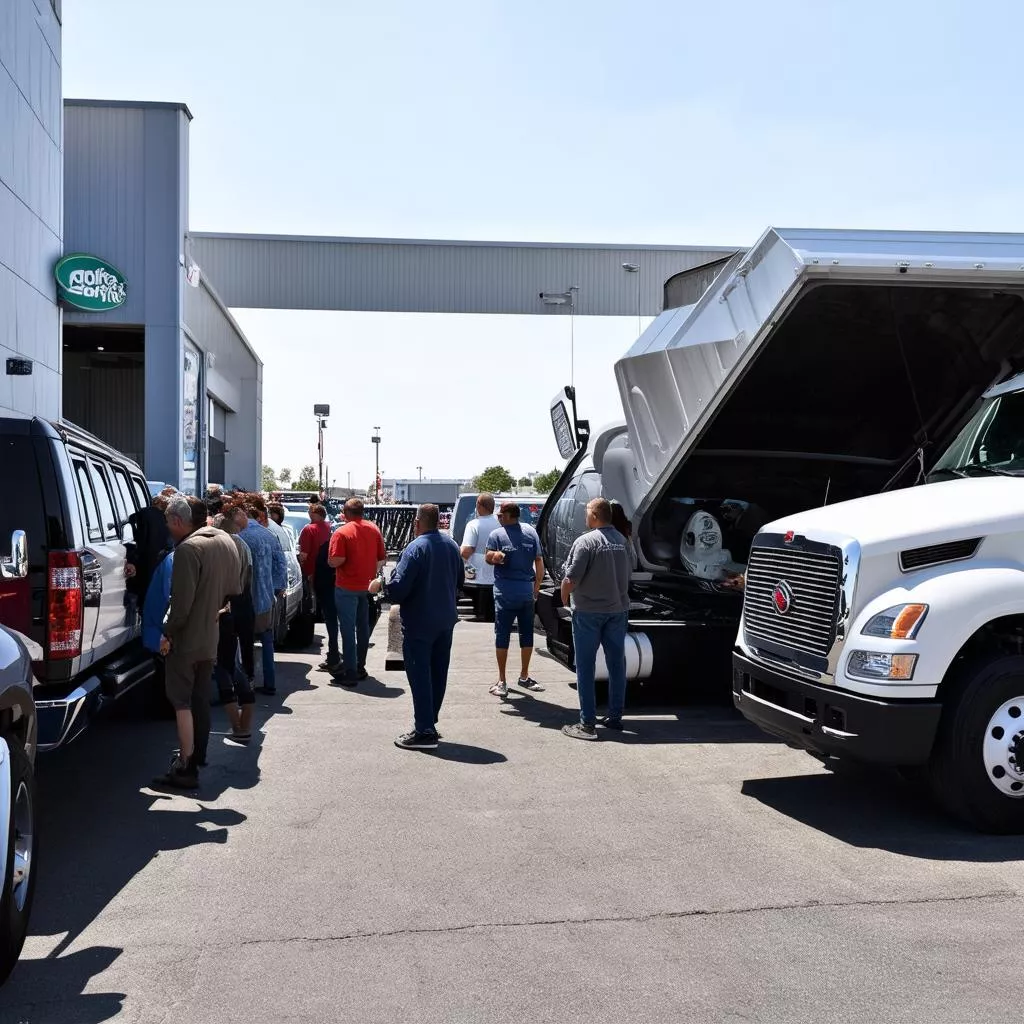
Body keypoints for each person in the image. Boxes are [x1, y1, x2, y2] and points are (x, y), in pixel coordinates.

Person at [153, 495, 241, 789]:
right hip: (211, 635)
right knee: (200, 699)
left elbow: (180, 607)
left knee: (180, 701)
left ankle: (186, 766)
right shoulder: (226, 540)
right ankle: (197, 755)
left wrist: (166, 632)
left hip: (188, 639)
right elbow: (232, 590)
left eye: (168, 521)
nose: (166, 527)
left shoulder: (188, 550)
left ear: (178, 521)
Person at [369, 504, 463, 749]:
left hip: (421, 621)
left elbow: (399, 589)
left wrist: (381, 585)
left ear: (418, 522)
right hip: (445, 620)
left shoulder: (415, 548)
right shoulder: (452, 546)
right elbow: (460, 581)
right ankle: (429, 722)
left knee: (420, 674)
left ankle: (424, 731)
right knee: (438, 673)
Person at [560, 498, 633, 741]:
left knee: (585, 667)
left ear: (594, 515)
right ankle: (615, 717)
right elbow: (628, 572)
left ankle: (587, 723)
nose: (585, 516)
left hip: (589, 612)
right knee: (616, 665)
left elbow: (570, 579)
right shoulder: (623, 541)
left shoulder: (586, 542)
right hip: (618, 610)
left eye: (587, 512)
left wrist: (564, 599)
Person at [485, 501, 545, 697]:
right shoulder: (530, 532)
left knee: (504, 635)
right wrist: (536, 589)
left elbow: (487, 556)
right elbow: (539, 563)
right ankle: (523, 676)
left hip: (506, 593)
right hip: (525, 592)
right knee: (526, 634)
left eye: (501, 515)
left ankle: (503, 680)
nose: (498, 518)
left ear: (509, 515)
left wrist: (494, 556)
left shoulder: (497, 535)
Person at [232, 495, 287, 695]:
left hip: (244, 600)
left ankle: (245, 682)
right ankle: (270, 682)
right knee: (267, 642)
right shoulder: (269, 536)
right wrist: (278, 587)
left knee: (242, 643)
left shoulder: (240, 538)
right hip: (266, 598)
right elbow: (281, 564)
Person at [327, 498, 386, 685]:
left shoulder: (341, 532)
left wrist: (331, 561)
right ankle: (360, 666)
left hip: (346, 587)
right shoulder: (373, 529)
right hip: (366, 587)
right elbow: (381, 559)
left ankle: (350, 671)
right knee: (362, 628)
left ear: (345, 513)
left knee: (347, 630)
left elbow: (335, 560)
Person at [214, 511, 256, 741]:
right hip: (241, 604)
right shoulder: (243, 545)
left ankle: (239, 726)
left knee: (223, 666)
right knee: (235, 664)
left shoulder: (221, 546)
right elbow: (249, 576)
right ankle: (245, 720)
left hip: (223, 608)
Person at [298, 504, 337, 670]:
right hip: (329, 574)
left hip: (312, 573)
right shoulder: (330, 528)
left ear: (315, 513)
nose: (308, 514)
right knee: (330, 613)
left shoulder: (308, 529)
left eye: (309, 512)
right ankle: (334, 650)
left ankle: (332, 653)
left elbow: (304, 555)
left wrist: (301, 566)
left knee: (310, 608)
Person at [459, 493, 499, 622]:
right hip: (496, 577)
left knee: (481, 613)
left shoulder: (473, 524)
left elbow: (467, 550)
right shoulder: (500, 524)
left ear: (479, 506)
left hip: (477, 577)